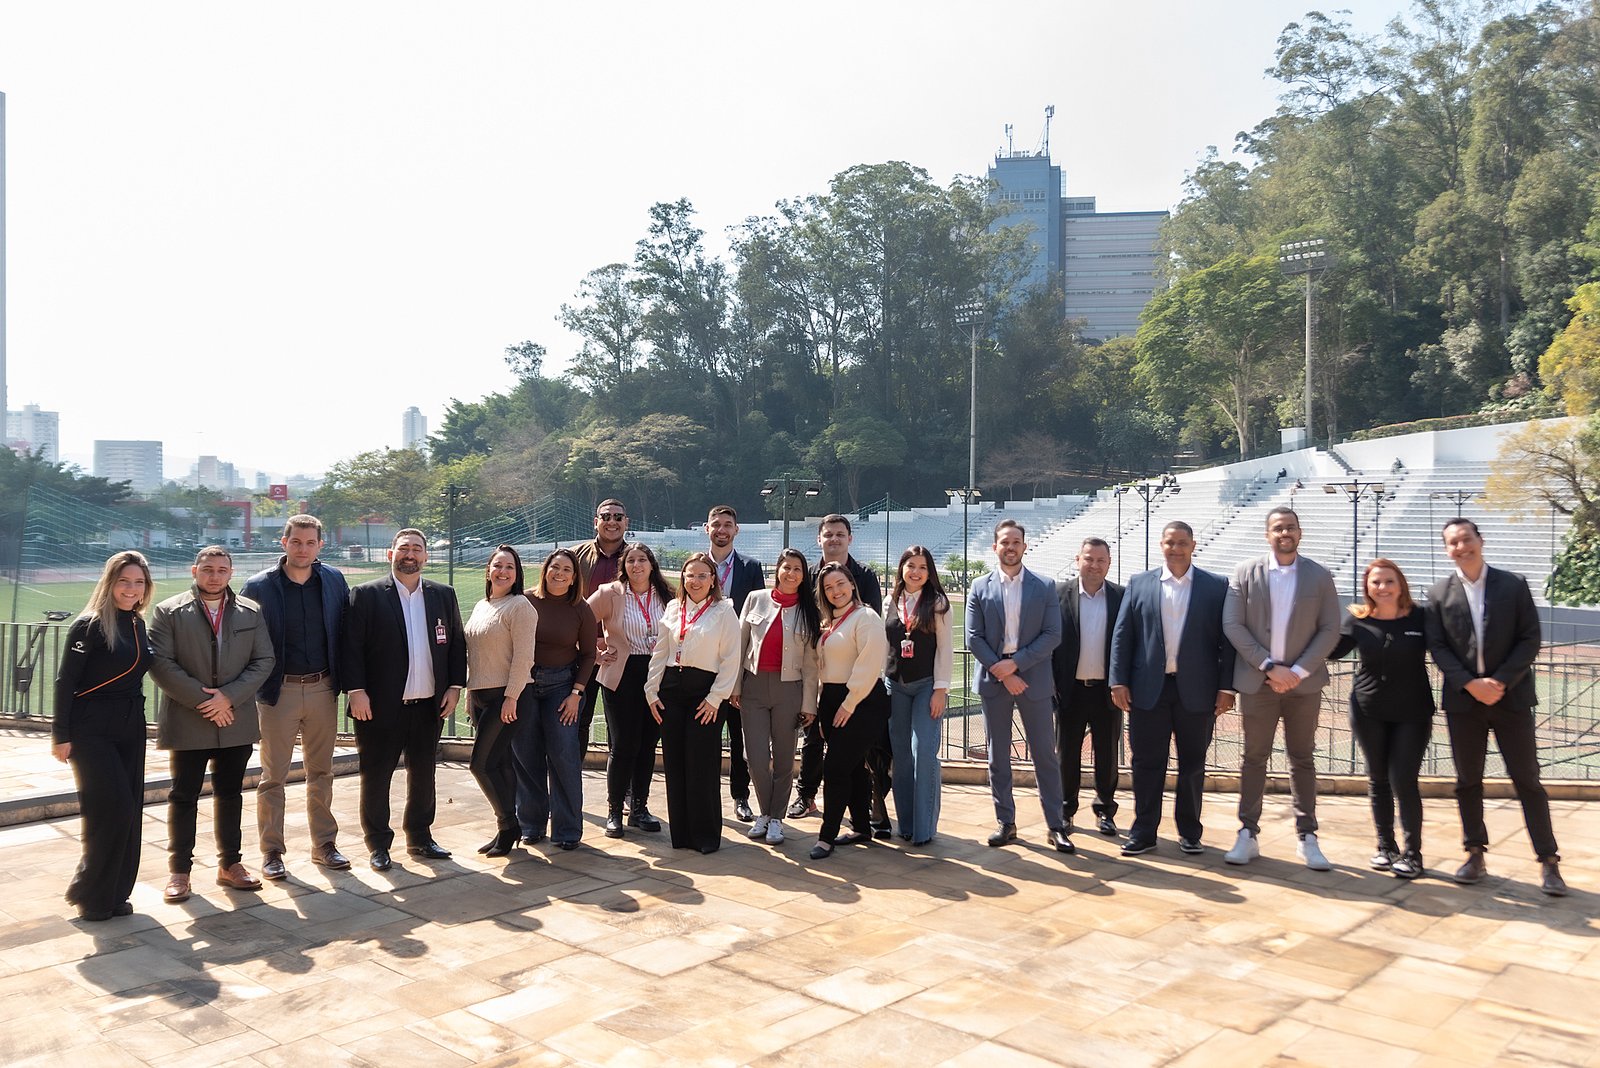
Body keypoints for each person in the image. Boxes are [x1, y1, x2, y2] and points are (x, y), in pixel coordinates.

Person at [1425, 518, 1566, 896]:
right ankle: (1474, 853)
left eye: (1466, 539)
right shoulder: (1437, 594)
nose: (1461, 547)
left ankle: (1549, 860)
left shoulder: (1513, 584)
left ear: (1480, 540)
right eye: (1453, 543)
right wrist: (1470, 684)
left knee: (1527, 780)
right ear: (1447, 550)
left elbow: (1530, 638)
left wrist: (1499, 682)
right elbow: (1438, 647)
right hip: (1464, 703)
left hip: (1511, 699)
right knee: (1467, 781)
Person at [149, 546, 276, 902]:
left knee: (230, 794)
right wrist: (208, 702)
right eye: (208, 569)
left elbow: (264, 659)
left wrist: (228, 698)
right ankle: (179, 871)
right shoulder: (169, 611)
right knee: (184, 795)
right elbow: (161, 664)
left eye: (222, 570)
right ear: (194, 571)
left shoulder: (250, 611)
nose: (215, 576)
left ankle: (230, 864)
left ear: (231, 573)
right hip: (188, 719)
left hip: (234, 719)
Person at [1221, 507, 1341, 870]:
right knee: (1253, 758)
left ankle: (1307, 836)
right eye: (1277, 528)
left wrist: (1298, 671)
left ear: (1300, 533)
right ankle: (1247, 832)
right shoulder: (1245, 572)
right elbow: (1232, 624)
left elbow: (1330, 628)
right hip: (1259, 683)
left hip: (1304, 685)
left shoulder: (1319, 575)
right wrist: (1270, 667)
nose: (1284, 533)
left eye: (1290, 527)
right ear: (1267, 534)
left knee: (1302, 758)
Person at [342, 528, 467, 872]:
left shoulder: (443, 594)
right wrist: (356, 691)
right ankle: (378, 844)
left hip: (429, 705)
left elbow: (456, 643)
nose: (410, 554)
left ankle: (420, 837)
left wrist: (455, 687)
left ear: (425, 556)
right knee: (376, 776)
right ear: (391, 554)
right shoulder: (366, 595)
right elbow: (351, 647)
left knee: (424, 775)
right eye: (403, 548)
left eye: (416, 549)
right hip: (378, 706)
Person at [1109, 521, 1236, 857]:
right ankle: (1144, 831)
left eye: (1182, 543)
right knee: (1146, 763)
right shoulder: (1139, 583)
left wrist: (1227, 688)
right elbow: (1123, 635)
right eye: (1170, 542)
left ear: (1193, 545)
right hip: (1148, 689)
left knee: (1193, 764)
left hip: (1198, 691)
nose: (1176, 549)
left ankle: (1190, 832)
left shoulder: (1216, 586)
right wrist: (1118, 680)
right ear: (1161, 545)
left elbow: (1227, 642)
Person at [239, 514, 351, 881]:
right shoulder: (259, 586)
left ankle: (325, 844)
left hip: (323, 688)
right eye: (296, 541)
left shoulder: (333, 580)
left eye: (310, 542)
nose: (303, 549)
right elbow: (243, 640)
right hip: (278, 691)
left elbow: (346, 631)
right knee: (273, 776)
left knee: (321, 772)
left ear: (320, 545)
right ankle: (272, 851)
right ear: (283, 542)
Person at [53, 551, 155, 921]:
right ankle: (90, 895)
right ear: (110, 583)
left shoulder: (138, 624)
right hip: (91, 730)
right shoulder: (89, 625)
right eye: (124, 581)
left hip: (131, 727)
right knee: (112, 810)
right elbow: (66, 681)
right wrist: (60, 735)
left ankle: (115, 894)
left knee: (131, 812)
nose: (131, 589)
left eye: (138, 582)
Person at [1329, 559, 1434, 879]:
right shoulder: (1357, 619)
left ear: (1401, 584)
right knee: (1378, 778)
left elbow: (1448, 649)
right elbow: (1330, 651)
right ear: (1367, 587)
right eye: (1375, 582)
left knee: (1404, 779)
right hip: (1368, 711)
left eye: (1389, 581)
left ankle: (1413, 854)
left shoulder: (1421, 617)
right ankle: (1385, 846)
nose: (1382, 587)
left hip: (1412, 712)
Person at [965, 520, 1067, 851]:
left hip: (1032, 678)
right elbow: (973, 637)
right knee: (998, 756)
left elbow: (1053, 634)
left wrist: (1017, 664)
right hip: (995, 678)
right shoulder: (979, 586)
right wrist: (1004, 673)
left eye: (1016, 542)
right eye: (1005, 542)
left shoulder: (1044, 585)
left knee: (1044, 755)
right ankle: (1005, 822)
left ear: (1025, 546)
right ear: (995, 546)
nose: (1010, 547)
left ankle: (1056, 824)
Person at [645, 552, 741, 854]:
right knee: (675, 762)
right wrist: (651, 692)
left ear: (713, 580)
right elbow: (661, 652)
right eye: (690, 575)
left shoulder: (724, 611)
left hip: (705, 695)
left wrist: (715, 699)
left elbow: (731, 659)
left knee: (701, 763)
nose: (695, 581)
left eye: (702, 575)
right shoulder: (674, 607)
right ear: (682, 579)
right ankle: (682, 835)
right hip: (671, 691)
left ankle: (705, 835)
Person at [791, 514, 884, 822]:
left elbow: (870, 625)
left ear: (849, 539)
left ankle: (867, 805)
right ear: (819, 539)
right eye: (828, 534)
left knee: (859, 751)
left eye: (840, 534)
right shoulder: (809, 574)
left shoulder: (865, 575)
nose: (833, 539)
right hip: (819, 668)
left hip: (855, 678)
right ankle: (806, 795)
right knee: (813, 738)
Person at [731, 547, 820, 845]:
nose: (791, 573)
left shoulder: (809, 610)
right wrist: (735, 686)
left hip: (789, 689)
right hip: (754, 687)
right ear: (777, 570)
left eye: (797, 569)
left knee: (783, 758)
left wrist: (809, 704)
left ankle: (775, 818)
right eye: (786, 567)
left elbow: (811, 665)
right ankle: (765, 812)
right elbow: (740, 645)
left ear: (803, 575)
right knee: (755, 758)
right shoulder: (756, 598)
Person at [514, 548, 599, 850]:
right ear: (545, 570)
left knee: (563, 754)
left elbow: (588, 655)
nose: (559, 574)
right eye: (555, 567)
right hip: (525, 684)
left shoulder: (581, 609)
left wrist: (576, 694)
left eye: (566, 570)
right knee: (526, 754)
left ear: (574, 577)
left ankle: (567, 829)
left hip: (562, 687)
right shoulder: (525, 601)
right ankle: (531, 824)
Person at [587, 542, 672, 838]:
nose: (637, 565)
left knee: (648, 744)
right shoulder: (610, 593)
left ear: (652, 564)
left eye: (642, 560)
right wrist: (595, 654)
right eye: (631, 560)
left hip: (657, 676)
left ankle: (639, 808)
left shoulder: (667, 595)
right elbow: (579, 620)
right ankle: (614, 811)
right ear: (623, 566)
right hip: (622, 674)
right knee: (624, 745)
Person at [809, 561, 891, 860]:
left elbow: (869, 664)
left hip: (861, 700)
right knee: (853, 767)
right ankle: (860, 827)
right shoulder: (831, 622)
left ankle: (826, 836)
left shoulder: (866, 617)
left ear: (852, 584)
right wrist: (824, 708)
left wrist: (849, 703)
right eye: (828, 587)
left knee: (835, 768)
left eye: (840, 584)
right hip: (833, 699)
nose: (836, 591)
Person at [464, 546, 539, 858]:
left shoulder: (520, 606)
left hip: (507, 697)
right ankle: (507, 827)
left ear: (517, 573)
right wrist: (469, 694)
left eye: (510, 567)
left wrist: (511, 698)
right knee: (500, 763)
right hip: (481, 696)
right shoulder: (483, 605)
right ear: (488, 570)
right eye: (498, 565)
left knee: (480, 765)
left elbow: (524, 658)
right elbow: (476, 654)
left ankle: (508, 825)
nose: (503, 572)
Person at [1051, 538, 1125, 847]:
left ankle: (1105, 811)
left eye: (1100, 560)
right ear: (1077, 559)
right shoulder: (1058, 594)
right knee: (1066, 755)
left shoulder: (1121, 596)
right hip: (1070, 691)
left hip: (1107, 691)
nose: (1094, 565)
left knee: (1107, 754)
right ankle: (1065, 810)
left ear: (1109, 563)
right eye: (1089, 559)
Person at [885, 545, 951, 846]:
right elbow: (883, 643)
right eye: (911, 565)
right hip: (894, 686)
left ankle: (924, 828)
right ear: (902, 568)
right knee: (901, 756)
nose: (916, 572)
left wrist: (940, 690)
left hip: (926, 686)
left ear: (930, 572)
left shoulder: (938, 603)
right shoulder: (891, 600)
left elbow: (945, 649)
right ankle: (907, 824)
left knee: (923, 751)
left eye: (923, 567)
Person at [707, 505, 765, 824]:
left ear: (736, 530)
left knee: (740, 736)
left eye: (727, 524)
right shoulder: (697, 565)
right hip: (704, 664)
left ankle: (740, 797)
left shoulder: (751, 567)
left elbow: (759, 615)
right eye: (716, 524)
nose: (722, 530)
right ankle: (707, 797)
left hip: (740, 664)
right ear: (707, 528)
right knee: (707, 736)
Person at [572, 498, 630, 748]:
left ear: (626, 522)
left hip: (620, 654)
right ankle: (572, 773)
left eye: (618, 517)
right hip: (579, 652)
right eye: (606, 517)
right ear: (596, 522)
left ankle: (620, 776)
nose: (612, 522)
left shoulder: (636, 557)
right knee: (576, 720)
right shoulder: (575, 555)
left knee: (618, 725)